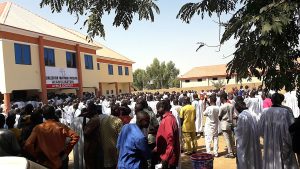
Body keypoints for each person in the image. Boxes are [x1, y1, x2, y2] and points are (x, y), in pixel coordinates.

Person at [258, 93, 299, 169]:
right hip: (283, 143)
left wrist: (269, 136)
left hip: (270, 143)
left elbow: (260, 130)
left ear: (272, 101)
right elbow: (291, 129)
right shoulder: (285, 112)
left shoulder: (265, 113)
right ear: (281, 100)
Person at [234, 97, 262, 169]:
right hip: (254, 141)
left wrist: (234, 129)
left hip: (246, 143)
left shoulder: (241, 116)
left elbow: (240, 133)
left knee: (246, 159)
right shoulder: (253, 114)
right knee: (254, 159)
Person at [155, 100, 180, 169]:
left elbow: (170, 139)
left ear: (162, 107)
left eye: (158, 109)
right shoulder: (167, 118)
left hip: (168, 157)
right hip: (166, 154)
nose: (157, 111)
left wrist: (166, 157)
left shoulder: (168, 119)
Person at [99, 104, 123, 169]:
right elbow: (122, 137)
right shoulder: (117, 121)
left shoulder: (103, 119)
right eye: (119, 110)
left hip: (103, 147)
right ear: (116, 110)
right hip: (114, 148)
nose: (120, 112)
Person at [83, 102, 103, 169]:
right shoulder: (94, 118)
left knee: (92, 164)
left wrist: (84, 118)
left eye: (88, 110)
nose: (87, 111)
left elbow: (86, 132)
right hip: (93, 145)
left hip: (92, 146)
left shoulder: (94, 120)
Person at [219, 92, 235, 158]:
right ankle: (232, 151)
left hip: (224, 124)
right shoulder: (231, 105)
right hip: (231, 123)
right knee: (231, 139)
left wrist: (222, 119)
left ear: (222, 98)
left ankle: (230, 153)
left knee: (227, 139)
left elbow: (219, 116)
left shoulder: (222, 107)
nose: (220, 99)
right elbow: (232, 114)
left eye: (220, 98)